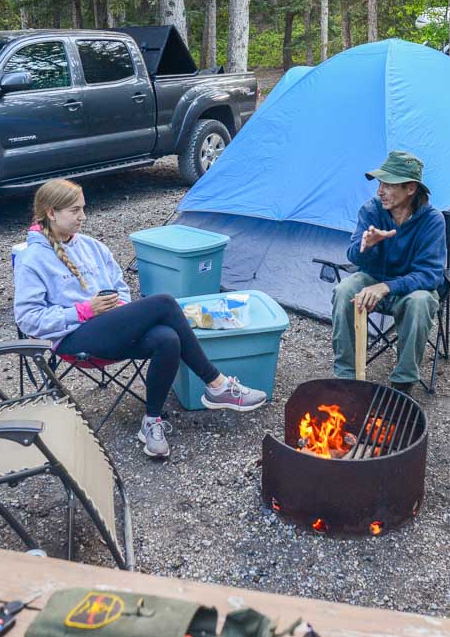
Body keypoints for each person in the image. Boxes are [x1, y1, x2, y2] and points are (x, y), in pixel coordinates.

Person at [14, 179, 267, 458]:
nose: (82, 217)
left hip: (111, 331)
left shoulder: (92, 247)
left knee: (167, 338)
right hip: (74, 339)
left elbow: (121, 287)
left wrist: (119, 306)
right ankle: (216, 384)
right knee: (165, 303)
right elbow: (28, 319)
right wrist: (84, 311)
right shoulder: (33, 259)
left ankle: (152, 421)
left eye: (83, 209)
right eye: (75, 211)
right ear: (52, 213)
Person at [331, 151, 446, 395]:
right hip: (373, 277)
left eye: (389, 184)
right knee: (344, 290)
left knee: (421, 301)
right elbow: (353, 256)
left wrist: (387, 287)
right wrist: (367, 247)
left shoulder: (432, 221)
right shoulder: (371, 211)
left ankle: (403, 383)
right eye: (380, 183)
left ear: (411, 188)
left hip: (410, 289)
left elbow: (431, 275)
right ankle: (347, 377)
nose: (380, 191)